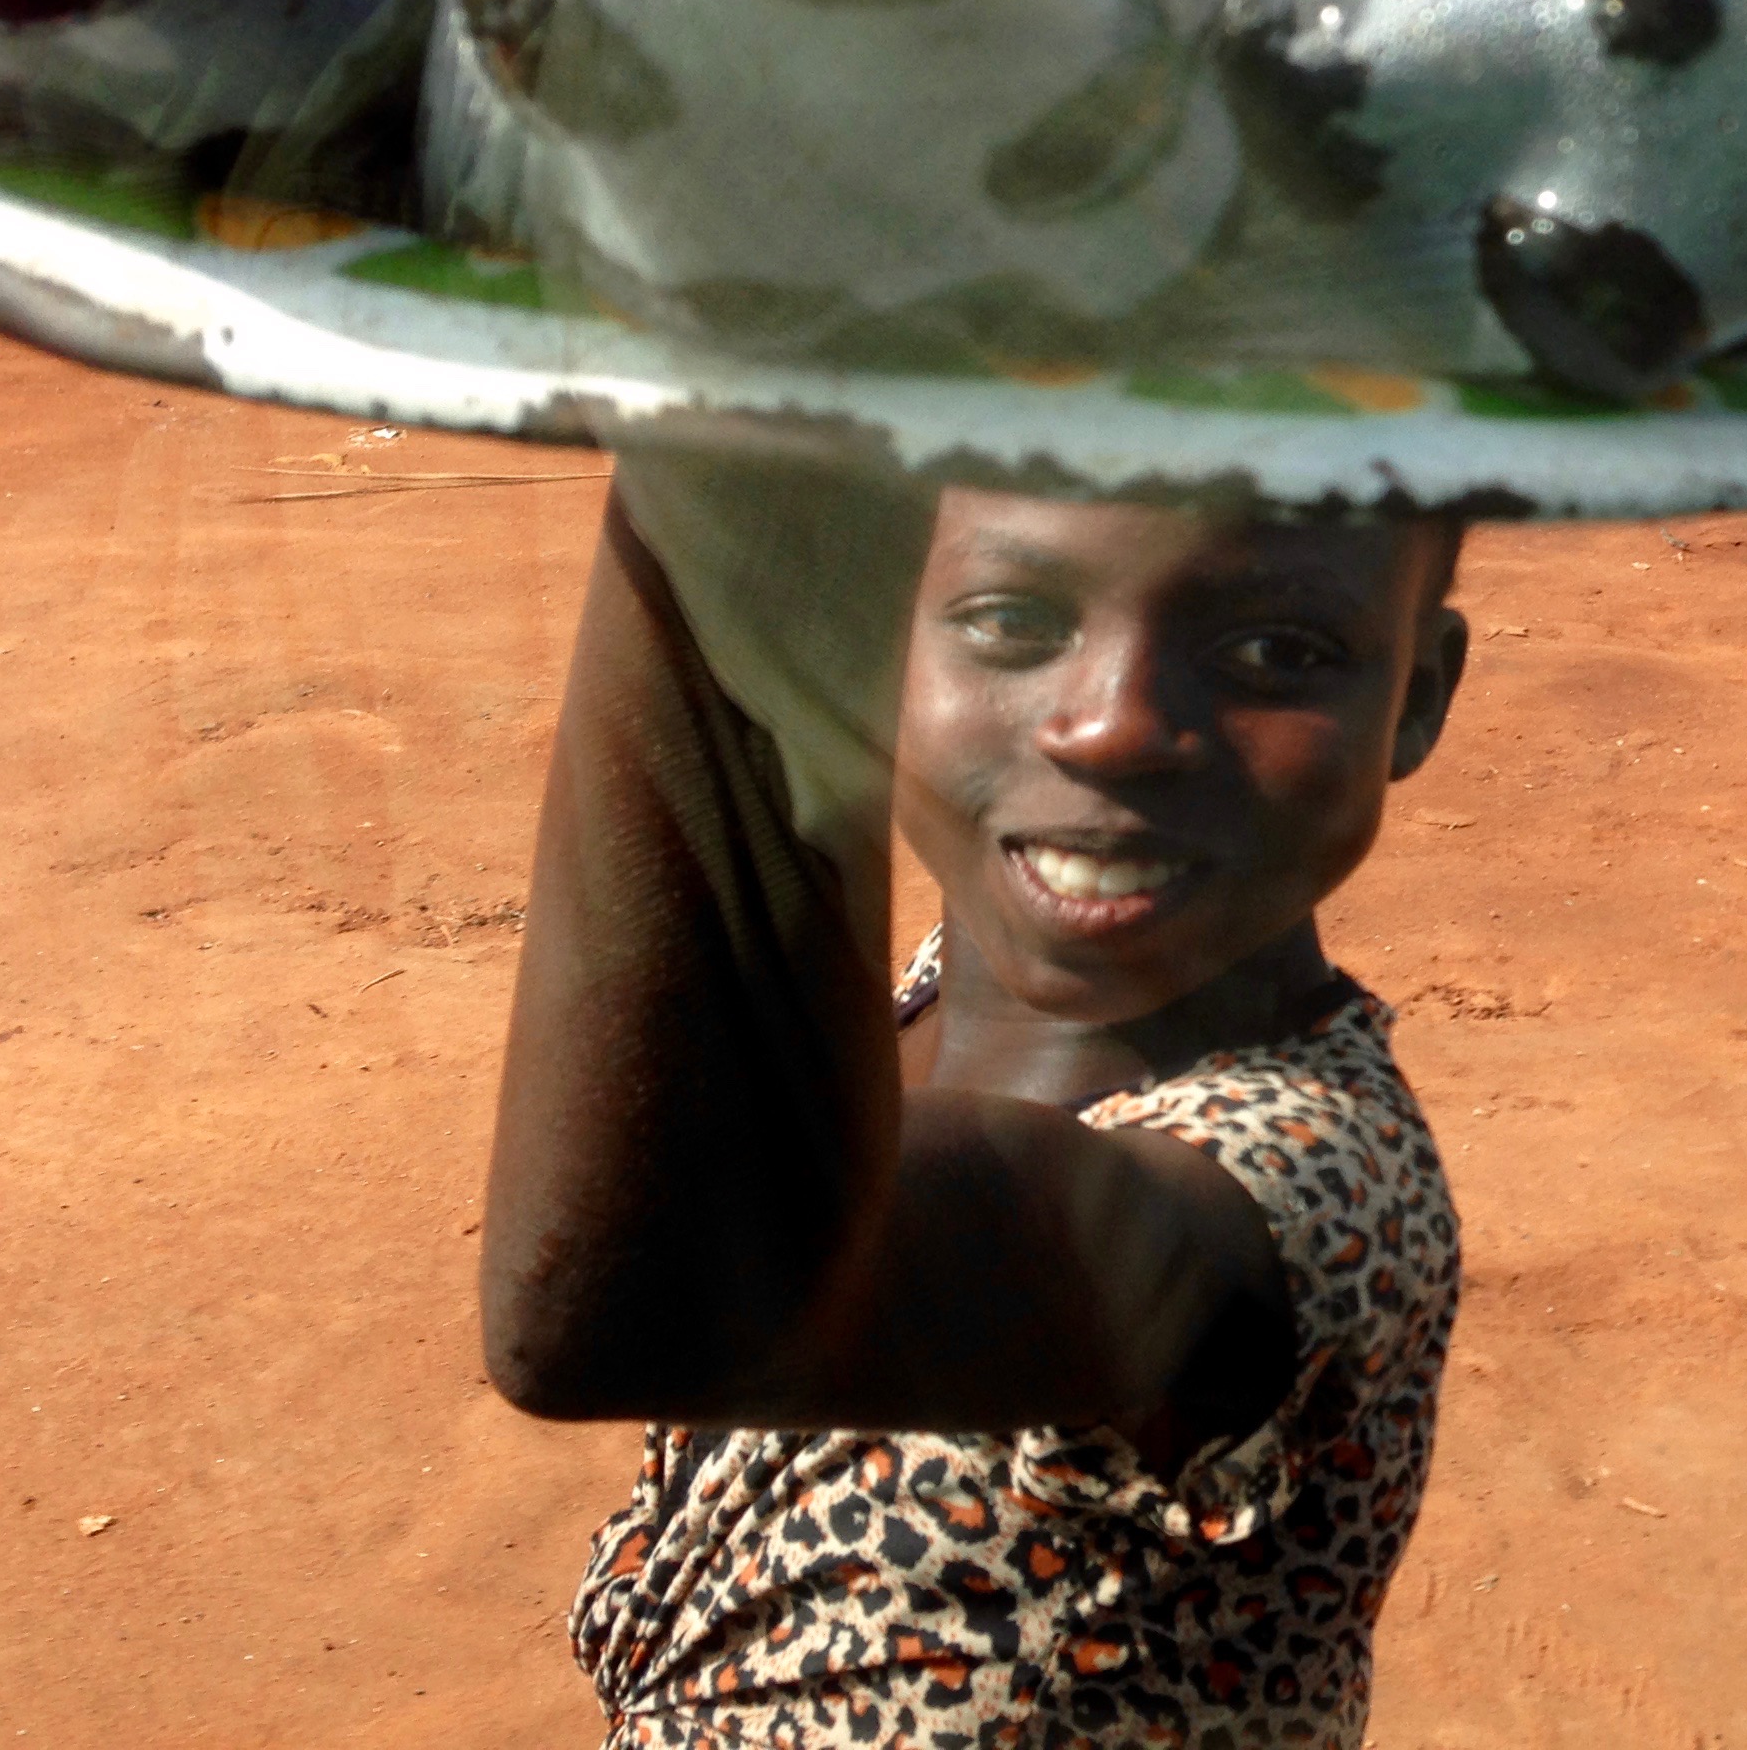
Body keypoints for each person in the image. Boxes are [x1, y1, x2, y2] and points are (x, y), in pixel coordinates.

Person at [479, 451, 1471, 1748]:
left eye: (1278, 651)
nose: (1112, 723)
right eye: (1012, 620)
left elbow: (642, 1295)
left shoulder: (1302, 1193)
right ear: (876, 631)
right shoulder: (948, 987)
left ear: (1418, 694)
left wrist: (718, 461)